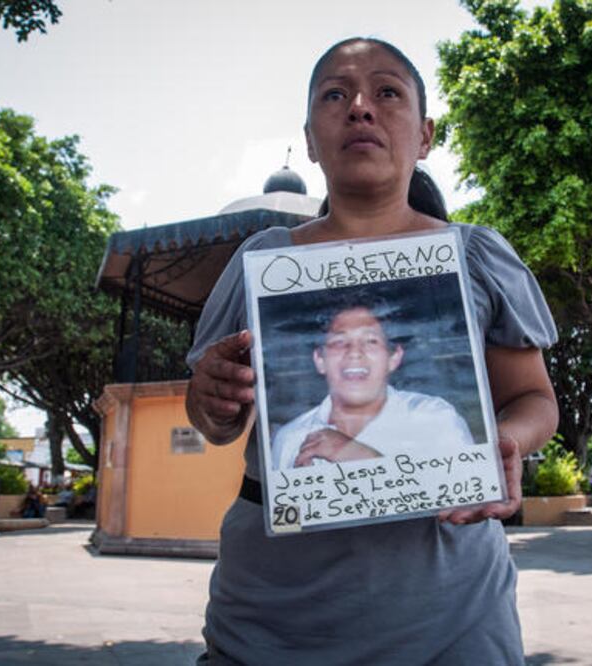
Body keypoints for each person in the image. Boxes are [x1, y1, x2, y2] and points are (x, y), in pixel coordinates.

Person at [185, 37, 558, 664]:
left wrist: (507, 441)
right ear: (309, 138)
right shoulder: (263, 261)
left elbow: (534, 399)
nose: (360, 107)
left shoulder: (476, 256)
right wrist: (211, 401)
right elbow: (217, 427)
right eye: (335, 94)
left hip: (452, 618)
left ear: (426, 134)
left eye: (387, 92)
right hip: (270, 624)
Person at [271, 296, 475, 469]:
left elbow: (472, 504)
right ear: (320, 360)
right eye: (339, 342)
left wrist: (359, 457)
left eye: (371, 341)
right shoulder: (290, 438)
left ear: (394, 357)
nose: (354, 353)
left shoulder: (436, 420)